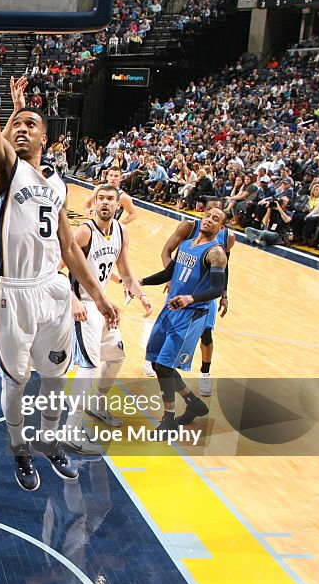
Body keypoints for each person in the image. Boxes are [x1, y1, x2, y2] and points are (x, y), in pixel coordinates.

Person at [0, 34, 119, 491]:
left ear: (46, 137)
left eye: (33, 124)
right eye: (17, 124)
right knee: (17, 381)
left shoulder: (57, 183)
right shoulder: (1, 171)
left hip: (53, 288)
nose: (24, 128)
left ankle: (48, 442)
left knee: (54, 378)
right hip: (11, 292)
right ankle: (20, 450)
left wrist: (98, 295)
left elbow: (70, 248)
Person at [66, 184, 151, 449]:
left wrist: (141, 295)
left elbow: (125, 272)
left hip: (103, 304)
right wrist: (73, 300)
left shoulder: (121, 232)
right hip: (83, 305)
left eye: (110, 199)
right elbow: (57, 268)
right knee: (89, 367)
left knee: (116, 357)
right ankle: (70, 430)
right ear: (94, 204)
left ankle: (96, 403)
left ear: (118, 205)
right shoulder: (83, 232)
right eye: (101, 198)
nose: (105, 202)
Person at [139, 206, 228, 432]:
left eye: (215, 219)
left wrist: (190, 298)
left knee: (164, 366)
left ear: (221, 227)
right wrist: (140, 282)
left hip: (191, 315)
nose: (209, 220)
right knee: (158, 363)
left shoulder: (216, 252)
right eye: (207, 216)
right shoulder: (187, 245)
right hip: (171, 309)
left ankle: (168, 419)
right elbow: (168, 273)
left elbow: (217, 288)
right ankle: (194, 403)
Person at [159, 200, 235, 396]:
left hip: (203, 296)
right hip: (181, 288)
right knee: (167, 326)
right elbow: (166, 251)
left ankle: (205, 373)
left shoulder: (227, 237)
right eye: (208, 212)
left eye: (215, 215)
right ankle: (157, 361)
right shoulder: (188, 227)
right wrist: (171, 275)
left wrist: (224, 294)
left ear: (221, 223)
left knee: (207, 334)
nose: (210, 217)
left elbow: (224, 267)